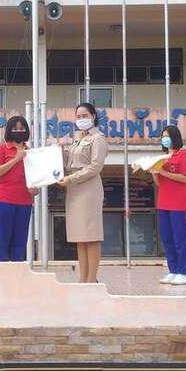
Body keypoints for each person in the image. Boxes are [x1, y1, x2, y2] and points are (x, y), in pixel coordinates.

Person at [57, 102, 108, 283]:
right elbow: (68, 164)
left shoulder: (98, 139)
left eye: (85, 116)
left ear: (93, 116)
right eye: (78, 117)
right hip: (74, 189)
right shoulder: (77, 139)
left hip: (89, 189)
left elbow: (95, 167)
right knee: (80, 236)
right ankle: (83, 278)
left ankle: (91, 279)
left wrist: (71, 179)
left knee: (91, 235)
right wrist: (58, 151)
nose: (81, 119)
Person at [0, 115, 38, 261]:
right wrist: (16, 159)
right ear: (9, 130)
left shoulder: (31, 153)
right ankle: (3, 270)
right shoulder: (1, 149)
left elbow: (35, 179)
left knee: (20, 241)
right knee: (2, 239)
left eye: (22, 128)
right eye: (15, 129)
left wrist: (35, 189)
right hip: (4, 200)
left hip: (25, 202)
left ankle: (18, 270)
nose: (18, 131)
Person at [152, 125, 186, 285]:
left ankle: (183, 272)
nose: (164, 139)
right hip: (163, 203)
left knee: (180, 238)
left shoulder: (183, 155)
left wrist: (163, 172)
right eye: (162, 137)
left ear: (175, 137)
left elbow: (185, 178)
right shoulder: (163, 158)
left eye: (167, 136)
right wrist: (155, 172)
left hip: (179, 204)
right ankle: (173, 270)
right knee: (167, 238)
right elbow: (159, 183)